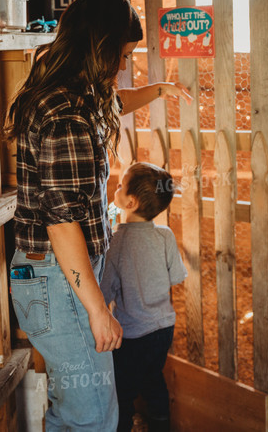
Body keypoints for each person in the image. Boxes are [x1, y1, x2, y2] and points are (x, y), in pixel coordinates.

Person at [3, 0, 191, 431]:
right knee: (92, 416)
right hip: (56, 274)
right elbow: (62, 223)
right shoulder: (65, 115)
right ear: (99, 48)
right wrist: (96, 310)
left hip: (59, 274)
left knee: (82, 411)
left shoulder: (77, 94)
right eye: (122, 55)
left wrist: (159, 90)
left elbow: (115, 103)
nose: (124, 66)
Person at [100, 162, 188, 432]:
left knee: (123, 391)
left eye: (120, 185)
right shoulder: (165, 235)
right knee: (153, 381)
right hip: (164, 329)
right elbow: (177, 277)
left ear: (131, 201)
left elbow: (104, 293)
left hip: (133, 335)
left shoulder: (116, 242)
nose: (115, 187)